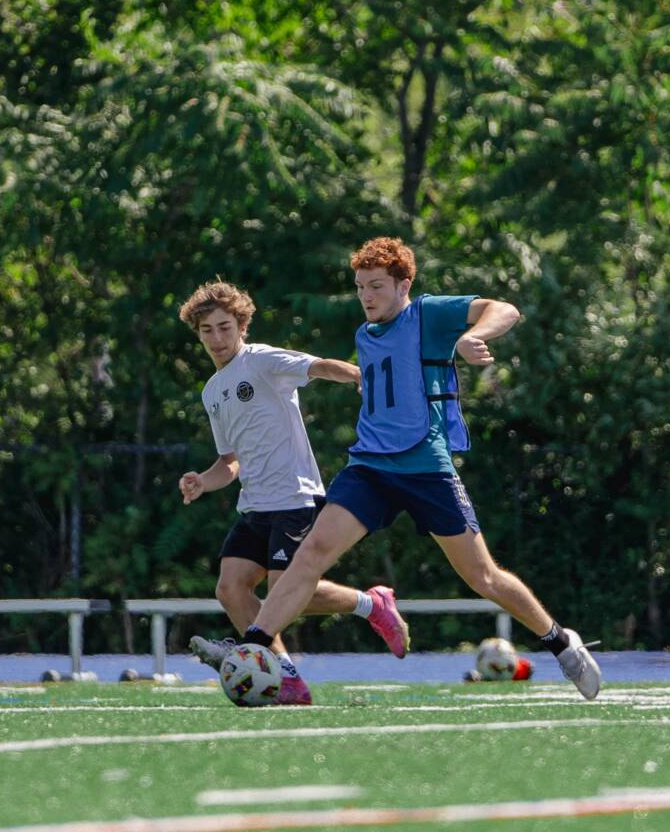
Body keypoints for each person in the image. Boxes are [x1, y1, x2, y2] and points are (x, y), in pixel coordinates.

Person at [227, 236, 601, 704]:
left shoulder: (427, 314)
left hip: (425, 468)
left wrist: (473, 336)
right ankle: (255, 646)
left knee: (481, 576)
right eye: (360, 286)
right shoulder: (366, 334)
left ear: (404, 286)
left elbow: (504, 308)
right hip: (369, 467)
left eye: (377, 286)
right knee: (310, 554)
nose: (366, 296)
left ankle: (562, 643)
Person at [173, 280, 409, 678]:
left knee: (288, 591)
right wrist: (202, 481)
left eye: (224, 327)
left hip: (294, 498)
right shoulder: (212, 391)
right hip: (254, 506)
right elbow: (230, 462)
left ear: (242, 326)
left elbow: (318, 366)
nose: (217, 338)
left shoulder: (261, 360)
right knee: (231, 589)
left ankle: (372, 604)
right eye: (207, 330)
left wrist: (357, 375)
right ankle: (284, 676)